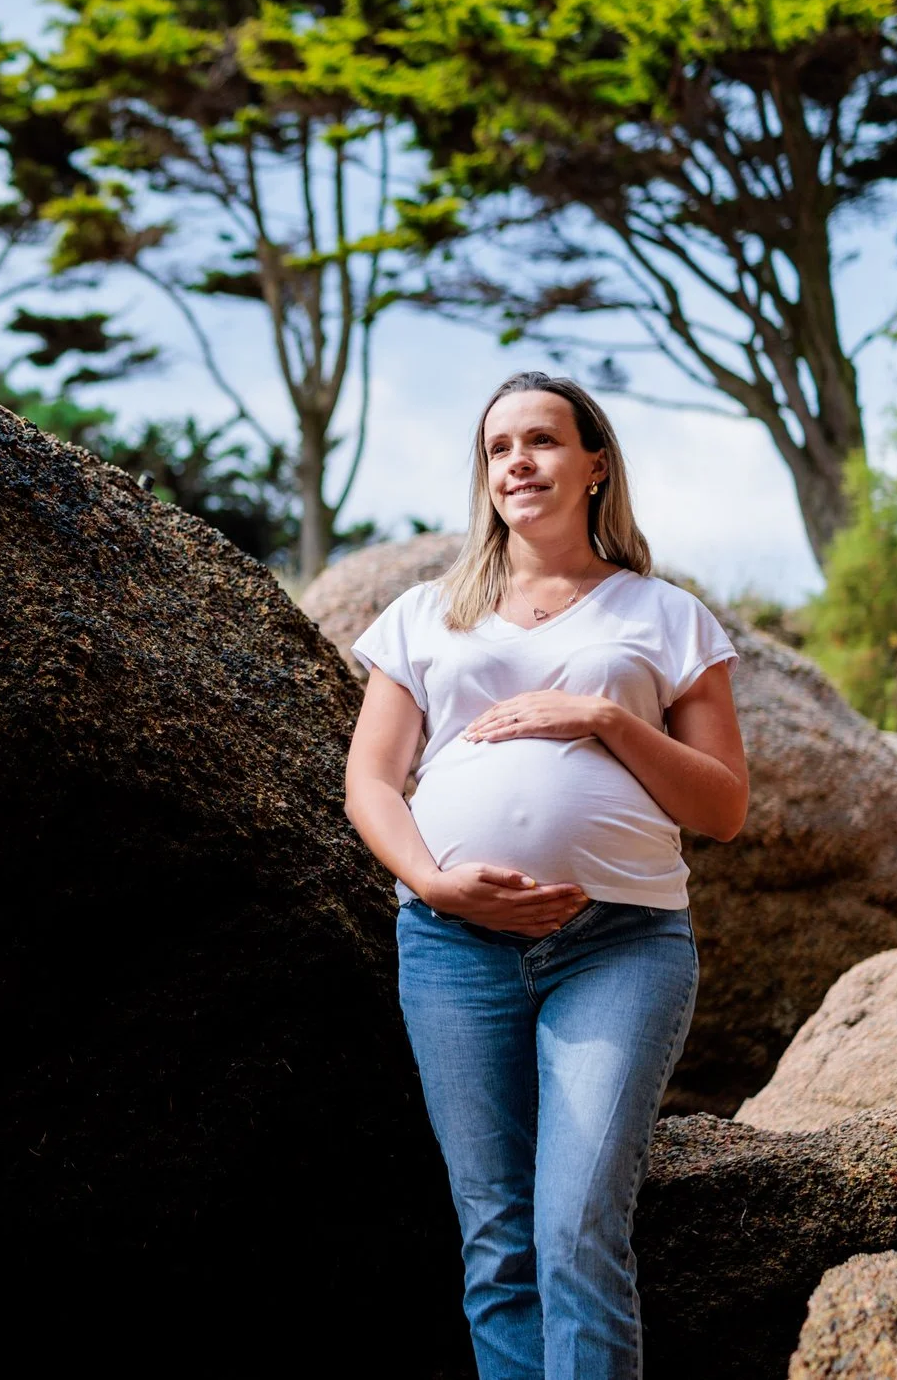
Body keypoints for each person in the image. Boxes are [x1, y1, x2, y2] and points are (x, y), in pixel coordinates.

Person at [344, 371, 750, 1380]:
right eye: (497, 448)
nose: (518, 460)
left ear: (594, 464)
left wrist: (605, 717)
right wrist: (435, 885)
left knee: (576, 1230)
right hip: (450, 947)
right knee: (498, 1239)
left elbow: (723, 807)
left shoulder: (667, 616)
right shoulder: (422, 614)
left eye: (542, 440)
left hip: (618, 943)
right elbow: (370, 783)